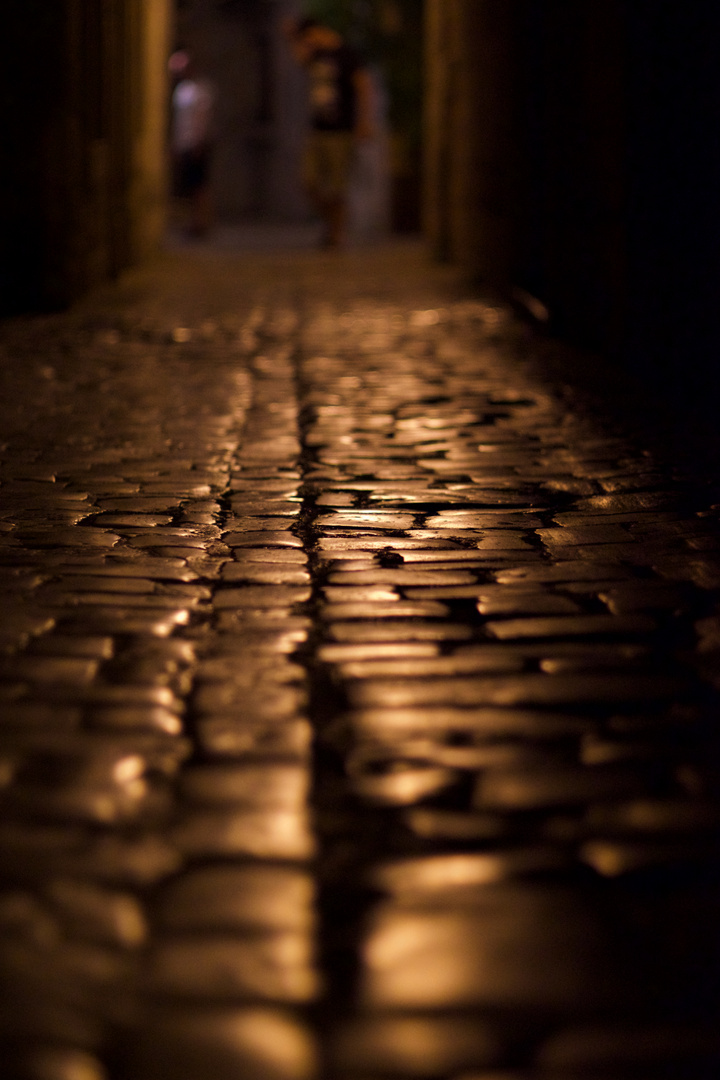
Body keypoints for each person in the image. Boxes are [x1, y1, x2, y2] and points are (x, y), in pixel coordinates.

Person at [285, 17, 375, 248]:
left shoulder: (347, 54)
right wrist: (293, 37)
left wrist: (364, 121)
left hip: (341, 130)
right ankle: (332, 222)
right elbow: (299, 59)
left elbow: (363, 86)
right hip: (318, 129)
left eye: (309, 38)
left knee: (337, 186)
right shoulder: (317, 55)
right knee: (309, 181)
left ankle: (336, 234)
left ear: (317, 32)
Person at [169, 50, 215, 237]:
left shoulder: (200, 90)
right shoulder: (181, 91)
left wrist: (198, 142)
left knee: (199, 185)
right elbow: (180, 121)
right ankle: (193, 221)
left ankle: (202, 222)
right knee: (189, 185)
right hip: (184, 143)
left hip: (196, 144)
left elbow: (202, 119)